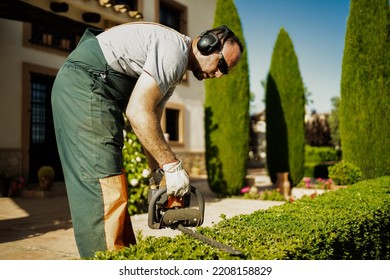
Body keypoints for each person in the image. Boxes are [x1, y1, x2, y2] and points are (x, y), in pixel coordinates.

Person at [51, 22, 243, 258]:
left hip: (98, 89)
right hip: (86, 85)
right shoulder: (173, 52)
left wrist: (158, 175)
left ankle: (123, 258)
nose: (219, 74)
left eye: (226, 71)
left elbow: (149, 124)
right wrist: (173, 166)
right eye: (222, 64)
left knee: (112, 181)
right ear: (207, 44)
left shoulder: (175, 65)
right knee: (103, 185)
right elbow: (137, 112)